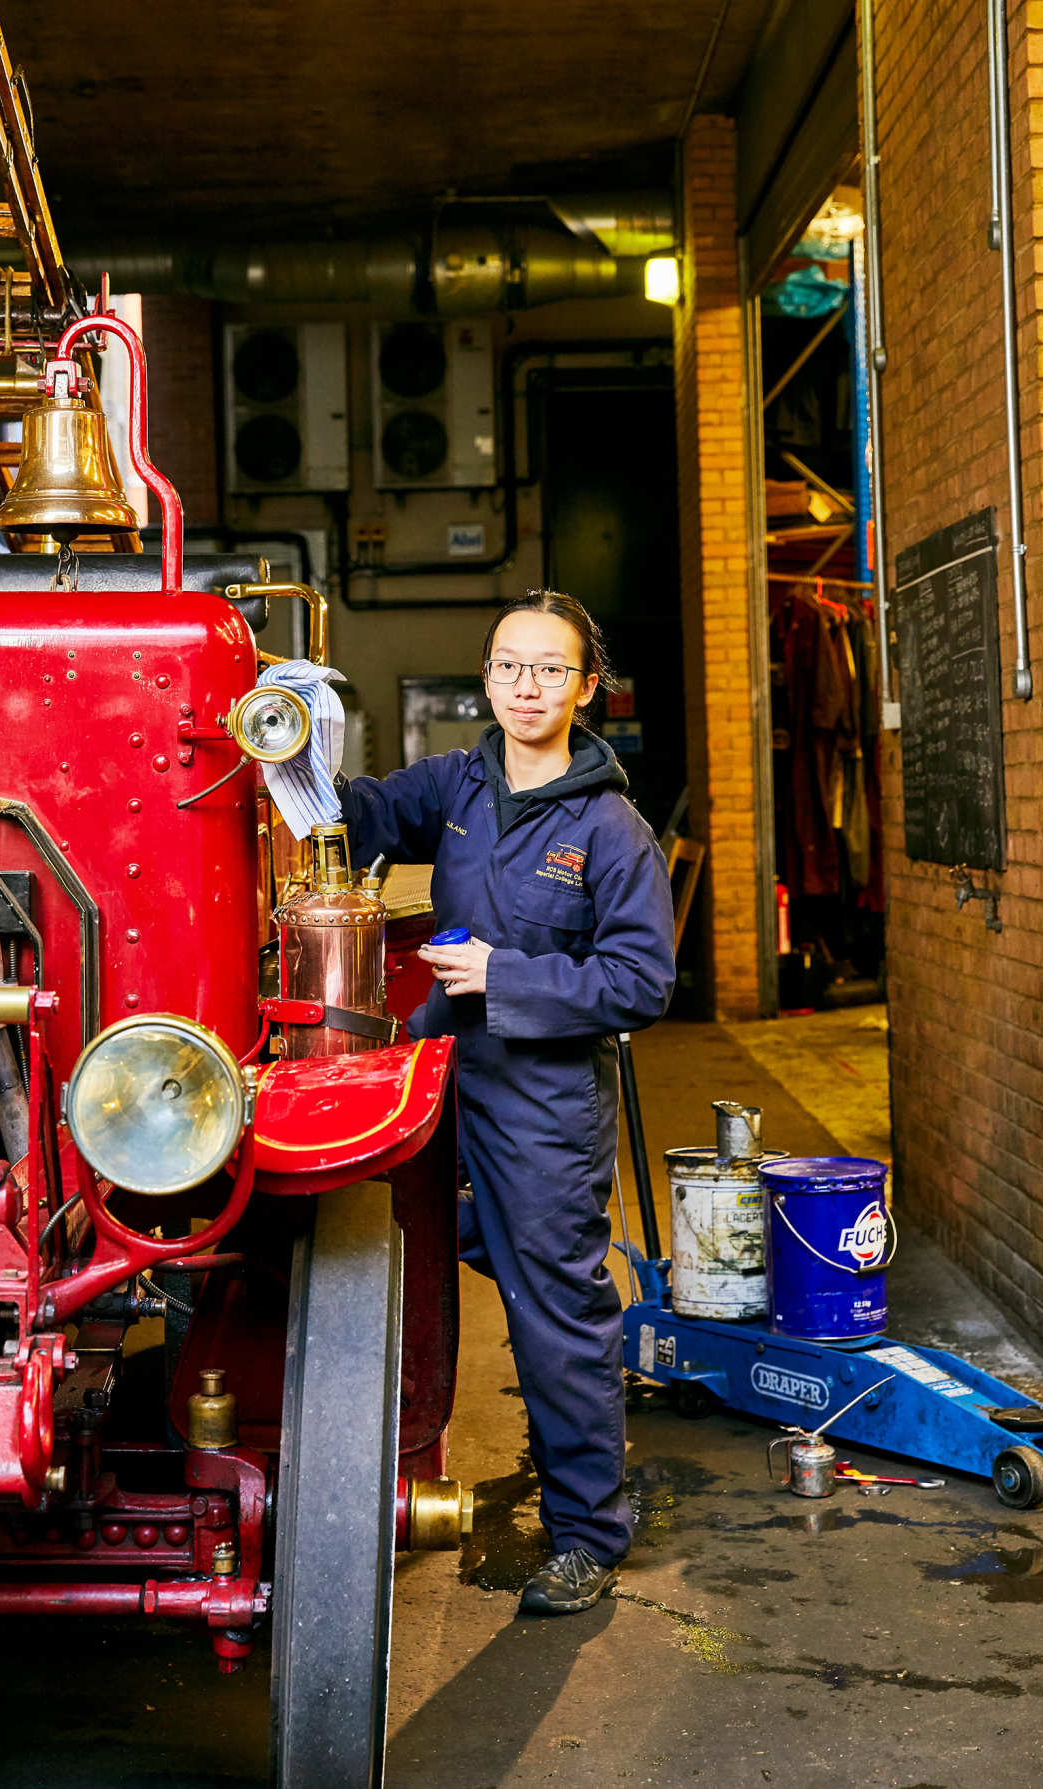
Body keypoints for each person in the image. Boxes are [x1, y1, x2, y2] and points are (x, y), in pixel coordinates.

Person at [338, 591, 676, 1615]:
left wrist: (506, 973)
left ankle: (587, 1532)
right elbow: (356, 816)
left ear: (585, 688)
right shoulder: (457, 783)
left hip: (542, 1096)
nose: (526, 686)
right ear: (486, 679)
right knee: (408, 1242)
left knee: (557, 1313)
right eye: (508, 666)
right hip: (442, 1068)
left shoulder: (609, 827)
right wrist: (283, 743)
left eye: (548, 670)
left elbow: (640, 983)